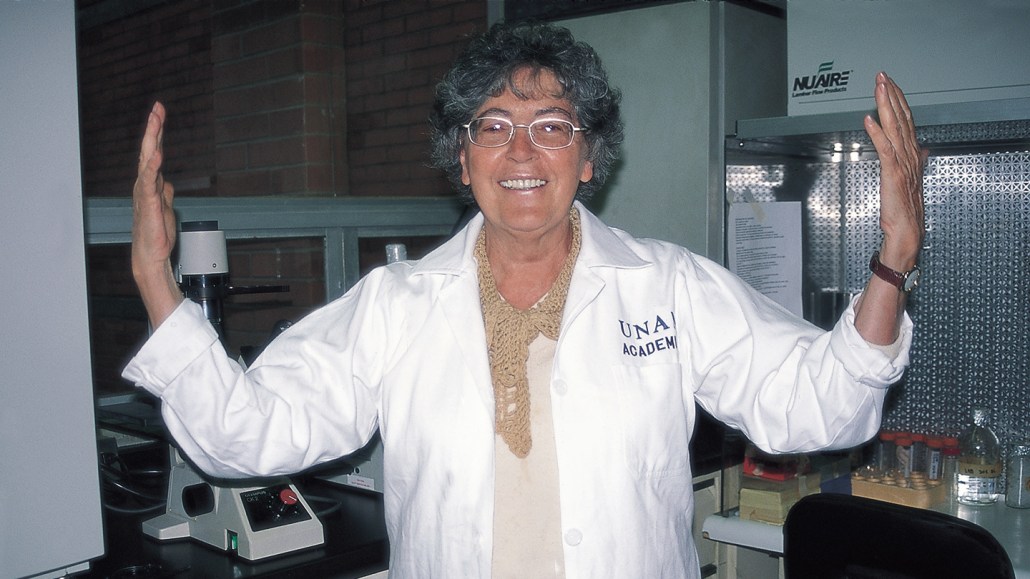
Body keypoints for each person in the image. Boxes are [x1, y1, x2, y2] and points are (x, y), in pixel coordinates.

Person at [124, 21, 926, 579]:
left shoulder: (669, 287)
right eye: (492, 125)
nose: (520, 151)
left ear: (588, 158)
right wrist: (160, 282)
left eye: (551, 125)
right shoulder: (395, 305)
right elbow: (244, 436)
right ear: (461, 158)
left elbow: (817, 409)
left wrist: (891, 263)